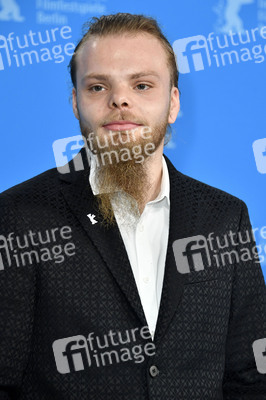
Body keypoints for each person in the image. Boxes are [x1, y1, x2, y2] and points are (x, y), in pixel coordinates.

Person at [0, 12, 265, 400]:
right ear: (76, 103)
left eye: (141, 85)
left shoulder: (224, 217)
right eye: (97, 87)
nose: (119, 99)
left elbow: (252, 377)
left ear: (172, 103)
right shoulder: (19, 215)